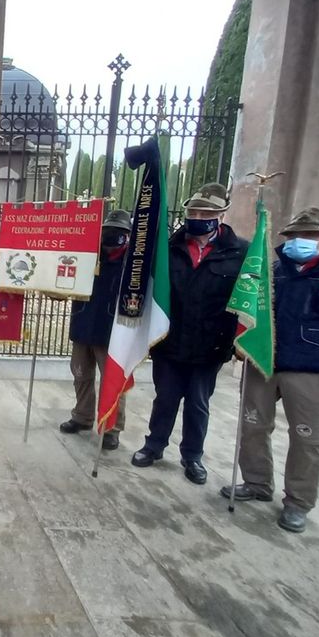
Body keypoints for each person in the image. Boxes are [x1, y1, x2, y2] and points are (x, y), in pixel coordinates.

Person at [221, 207, 319, 533]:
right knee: (253, 427)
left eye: (310, 236)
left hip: (313, 372)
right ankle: (257, 482)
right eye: (294, 236)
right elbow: (247, 311)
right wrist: (242, 342)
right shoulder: (269, 274)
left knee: (308, 439)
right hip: (263, 364)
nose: (299, 241)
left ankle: (298, 502)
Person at [131, 183, 248, 484]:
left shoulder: (241, 252)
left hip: (210, 345)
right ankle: (154, 446)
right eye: (193, 212)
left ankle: (192, 456)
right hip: (170, 341)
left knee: (198, 404)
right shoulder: (169, 248)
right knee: (165, 398)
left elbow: (249, 299)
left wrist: (240, 339)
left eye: (206, 213)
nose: (198, 218)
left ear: (222, 215)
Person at [59, 210, 132, 450]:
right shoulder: (88, 256)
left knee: (113, 382)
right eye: (108, 231)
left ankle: (112, 428)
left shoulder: (133, 264)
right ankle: (82, 416)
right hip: (83, 324)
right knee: (81, 374)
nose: (111, 236)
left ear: (128, 235)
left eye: (119, 232)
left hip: (113, 332)